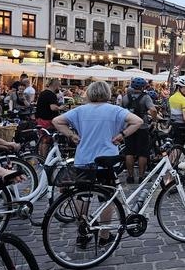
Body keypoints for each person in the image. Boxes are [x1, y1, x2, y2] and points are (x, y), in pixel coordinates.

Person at [53, 81, 143, 247]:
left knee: (82, 195)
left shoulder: (80, 110)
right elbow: (137, 121)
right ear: (107, 94)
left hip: (83, 159)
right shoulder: (115, 110)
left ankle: (82, 232)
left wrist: (72, 135)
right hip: (106, 160)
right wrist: (122, 135)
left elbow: (57, 121)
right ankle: (104, 234)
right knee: (106, 198)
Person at [122, 77, 156, 183]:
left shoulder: (125, 97)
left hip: (129, 128)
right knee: (143, 153)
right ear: (143, 87)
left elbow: (121, 111)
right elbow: (153, 110)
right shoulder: (145, 97)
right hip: (142, 127)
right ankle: (141, 177)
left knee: (129, 152)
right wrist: (154, 120)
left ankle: (130, 176)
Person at [36, 79, 66, 158]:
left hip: (40, 119)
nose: (58, 88)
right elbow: (53, 107)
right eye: (58, 85)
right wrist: (60, 108)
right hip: (47, 120)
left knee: (42, 140)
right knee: (46, 141)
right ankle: (45, 159)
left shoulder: (43, 93)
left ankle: (41, 158)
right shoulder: (51, 94)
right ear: (55, 85)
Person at [169, 77, 185, 146]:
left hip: (173, 124)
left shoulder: (171, 97)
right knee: (179, 147)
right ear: (179, 87)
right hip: (181, 126)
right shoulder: (183, 100)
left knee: (173, 146)